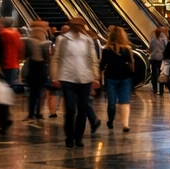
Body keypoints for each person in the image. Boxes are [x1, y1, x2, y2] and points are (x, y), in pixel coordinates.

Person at [52, 17, 99, 148]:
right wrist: (55, 77)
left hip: (85, 78)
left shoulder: (87, 40)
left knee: (82, 109)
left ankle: (79, 138)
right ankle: (69, 137)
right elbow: (56, 59)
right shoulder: (63, 39)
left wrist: (95, 77)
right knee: (71, 109)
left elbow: (93, 59)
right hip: (68, 78)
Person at [100, 26, 137, 134]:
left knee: (111, 102)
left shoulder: (106, 49)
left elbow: (102, 65)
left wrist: (98, 76)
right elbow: (131, 65)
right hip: (125, 77)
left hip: (110, 77)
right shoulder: (127, 49)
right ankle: (125, 124)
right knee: (125, 102)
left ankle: (111, 121)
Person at [0, 19, 23, 99]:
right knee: (10, 86)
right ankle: (7, 104)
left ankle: (3, 105)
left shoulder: (2, 33)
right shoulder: (16, 33)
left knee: (3, 86)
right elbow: (20, 48)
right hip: (14, 64)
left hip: (4, 63)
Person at [148, 25, 169, 96]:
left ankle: (154, 89)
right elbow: (166, 47)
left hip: (153, 57)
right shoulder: (163, 37)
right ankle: (161, 90)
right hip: (161, 58)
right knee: (161, 73)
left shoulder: (153, 37)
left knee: (154, 73)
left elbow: (150, 48)